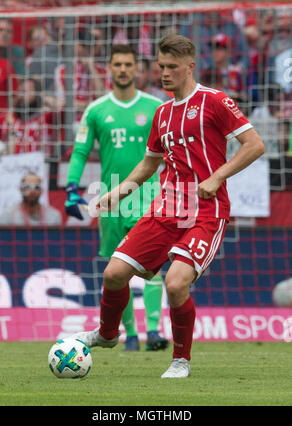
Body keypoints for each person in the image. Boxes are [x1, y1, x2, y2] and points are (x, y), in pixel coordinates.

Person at [70, 34, 265, 378]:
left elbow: (254, 145)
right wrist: (117, 194)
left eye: (172, 67)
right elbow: (148, 165)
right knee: (113, 273)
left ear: (190, 67)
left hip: (206, 210)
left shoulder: (215, 101)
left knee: (175, 283)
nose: (164, 73)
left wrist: (217, 177)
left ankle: (180, 360)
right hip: (167, 209)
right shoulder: (161, 114)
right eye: (161, 66)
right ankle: (107, 333)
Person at [65, 44, 169, 352]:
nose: (123, 69)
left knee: (152, 266)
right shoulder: (96, 110)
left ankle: (153, 332)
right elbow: (81, 150)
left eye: (128, 64)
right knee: (116, 269)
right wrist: (72, 187)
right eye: (117, 64)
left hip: (148, 192)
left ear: (137, 69)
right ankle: (131, 336)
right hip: (111, 196)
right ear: (109, 69)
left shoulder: (155, 107)